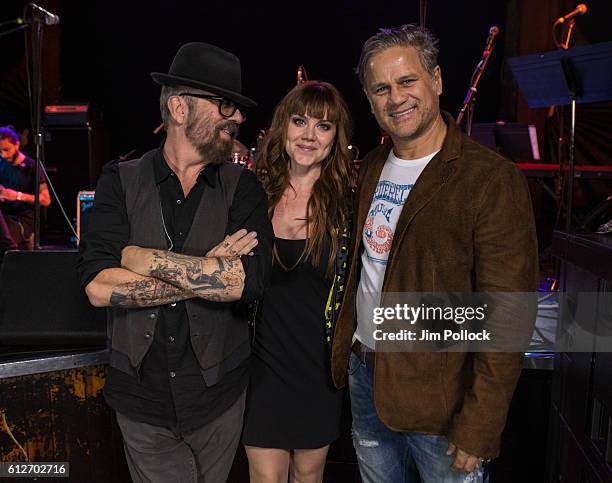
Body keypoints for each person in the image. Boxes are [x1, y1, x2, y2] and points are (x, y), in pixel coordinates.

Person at [330, 24, 538, 483]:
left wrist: (480, 424)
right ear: (369, 100)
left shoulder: (489, 180)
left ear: (437, 80)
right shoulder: (370, 169)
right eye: (381, 88)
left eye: (408, 82)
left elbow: (508, 315)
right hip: (366, 379)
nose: (396, 98)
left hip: (442, 404)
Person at [77, 42, 273, 483]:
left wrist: (143, 258)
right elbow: (96, 286)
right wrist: (207, 268)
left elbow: (248, 280)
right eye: (225, 105)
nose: (238, 117)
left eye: (238, 108)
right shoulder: (119, 180)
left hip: (217, 398)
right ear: (181, 108)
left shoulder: (244, 188)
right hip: (141, 399)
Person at [242, 81, 354, 483]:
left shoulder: (347, 204)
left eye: (323, 126)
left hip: (318, 369)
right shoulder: (252, 195)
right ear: (282, 127)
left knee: (308, 477)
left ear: (335, 137)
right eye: (300, 121)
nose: (309, 135)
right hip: (261, 366)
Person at [0, 126, 51, 254]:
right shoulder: (1, 163)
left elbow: (46, 200)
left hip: (22, 219)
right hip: (4, 216)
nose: (3, 155)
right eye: (0, 151)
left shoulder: (32, 166)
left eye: (6, 150)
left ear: (16, 145)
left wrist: (17, 196)